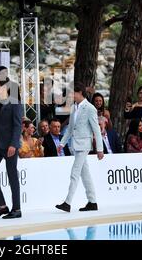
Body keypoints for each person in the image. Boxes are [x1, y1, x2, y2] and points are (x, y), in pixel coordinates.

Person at [55, 82, 104, 213]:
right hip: (74, 145)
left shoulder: (90, 108)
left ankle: (67, 203)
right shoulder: (73, 107)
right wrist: (62, 143)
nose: (71, 96)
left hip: (84, 145)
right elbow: (70, 128)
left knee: (74, 173)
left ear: (80, 93)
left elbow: (96, 130)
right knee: (85, 174)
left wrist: (100, 149)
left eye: (73, 93)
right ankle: (92, 202)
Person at [0, 79, 23, 220]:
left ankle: (17, 209)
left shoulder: (15, 103)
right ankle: (2, 206)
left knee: (12, 175)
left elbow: (17, 125)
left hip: (10, 145)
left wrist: (13, 144)